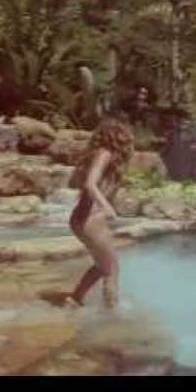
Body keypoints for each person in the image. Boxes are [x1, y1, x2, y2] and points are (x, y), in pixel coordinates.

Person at [67, 117, 135, 309]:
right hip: (92, 219)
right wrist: (106, 207)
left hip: (81, 218)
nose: (129, 139)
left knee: (102, 265)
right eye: (126, 135)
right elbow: (90, 183)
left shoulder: (98, 155)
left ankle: (74, 300)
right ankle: (111, 313)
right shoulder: (105, 153)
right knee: (112, 269)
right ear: (117, 137)